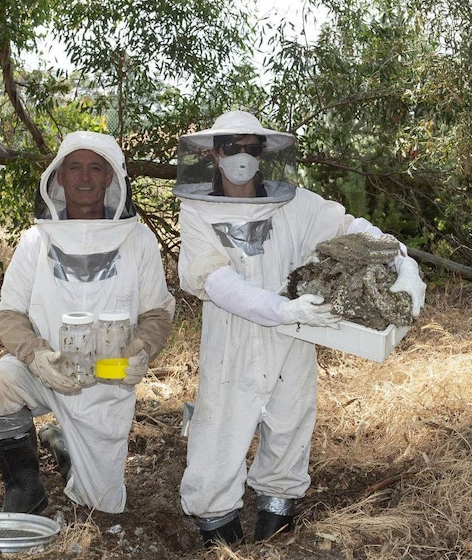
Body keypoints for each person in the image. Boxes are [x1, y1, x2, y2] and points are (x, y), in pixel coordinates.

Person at [172, 111, 426, 546]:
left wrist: (402, 259)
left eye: (252, 148)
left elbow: (351, 230)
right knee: (218, 431)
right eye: (232, 147)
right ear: (215, 152)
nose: (242, 157)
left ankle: (276, 520)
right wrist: (283, 309)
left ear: (264, 153)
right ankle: (219, 533)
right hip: (234, 336)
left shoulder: (298, 203)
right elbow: (216, 280)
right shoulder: (197, 210)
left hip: (295, 335)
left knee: (289, 424)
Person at [0, 131, 175, 514]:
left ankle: (65, 445)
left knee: (102, 507)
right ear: (60, 178)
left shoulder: (138, 241)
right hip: (47, 372)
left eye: (95, 168)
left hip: (108, 384)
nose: (84, 177)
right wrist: (35, 355)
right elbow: (9, 314)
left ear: (110, 179)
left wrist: (142, 348)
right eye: (75, 167)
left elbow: (156, 314)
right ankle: (25, 487)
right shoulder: (35, 241)